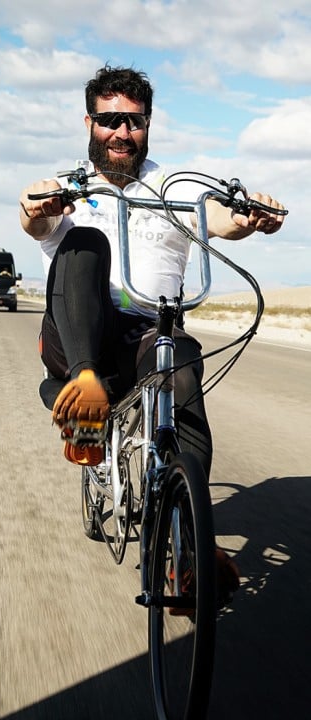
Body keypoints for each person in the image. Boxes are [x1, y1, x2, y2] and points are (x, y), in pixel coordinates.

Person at [19, 64, 285, 601]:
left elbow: (218, 218)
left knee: (182, 363)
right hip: (80, 334)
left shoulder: (172, 185)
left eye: (133, 122)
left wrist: (251, 217)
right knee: (86, 244)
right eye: (109, 120)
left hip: (151, 331)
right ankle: (86, 391)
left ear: (148, 124)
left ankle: (190, 553)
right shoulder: (69, 185)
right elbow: (35, 218)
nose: (121, 133)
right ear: (90, 122)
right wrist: (36, 205)